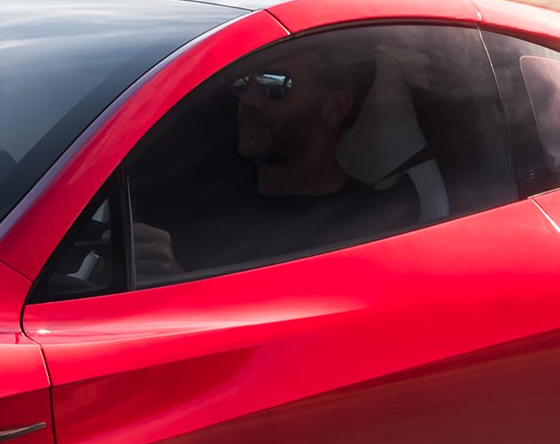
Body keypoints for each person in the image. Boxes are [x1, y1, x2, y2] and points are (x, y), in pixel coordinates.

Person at [129, 34, 422, 283]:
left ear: (335, 107)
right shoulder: (207, 203)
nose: (249, 101)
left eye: (275, 85)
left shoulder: (373, 227)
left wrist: (180, 285)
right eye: (245, 83)